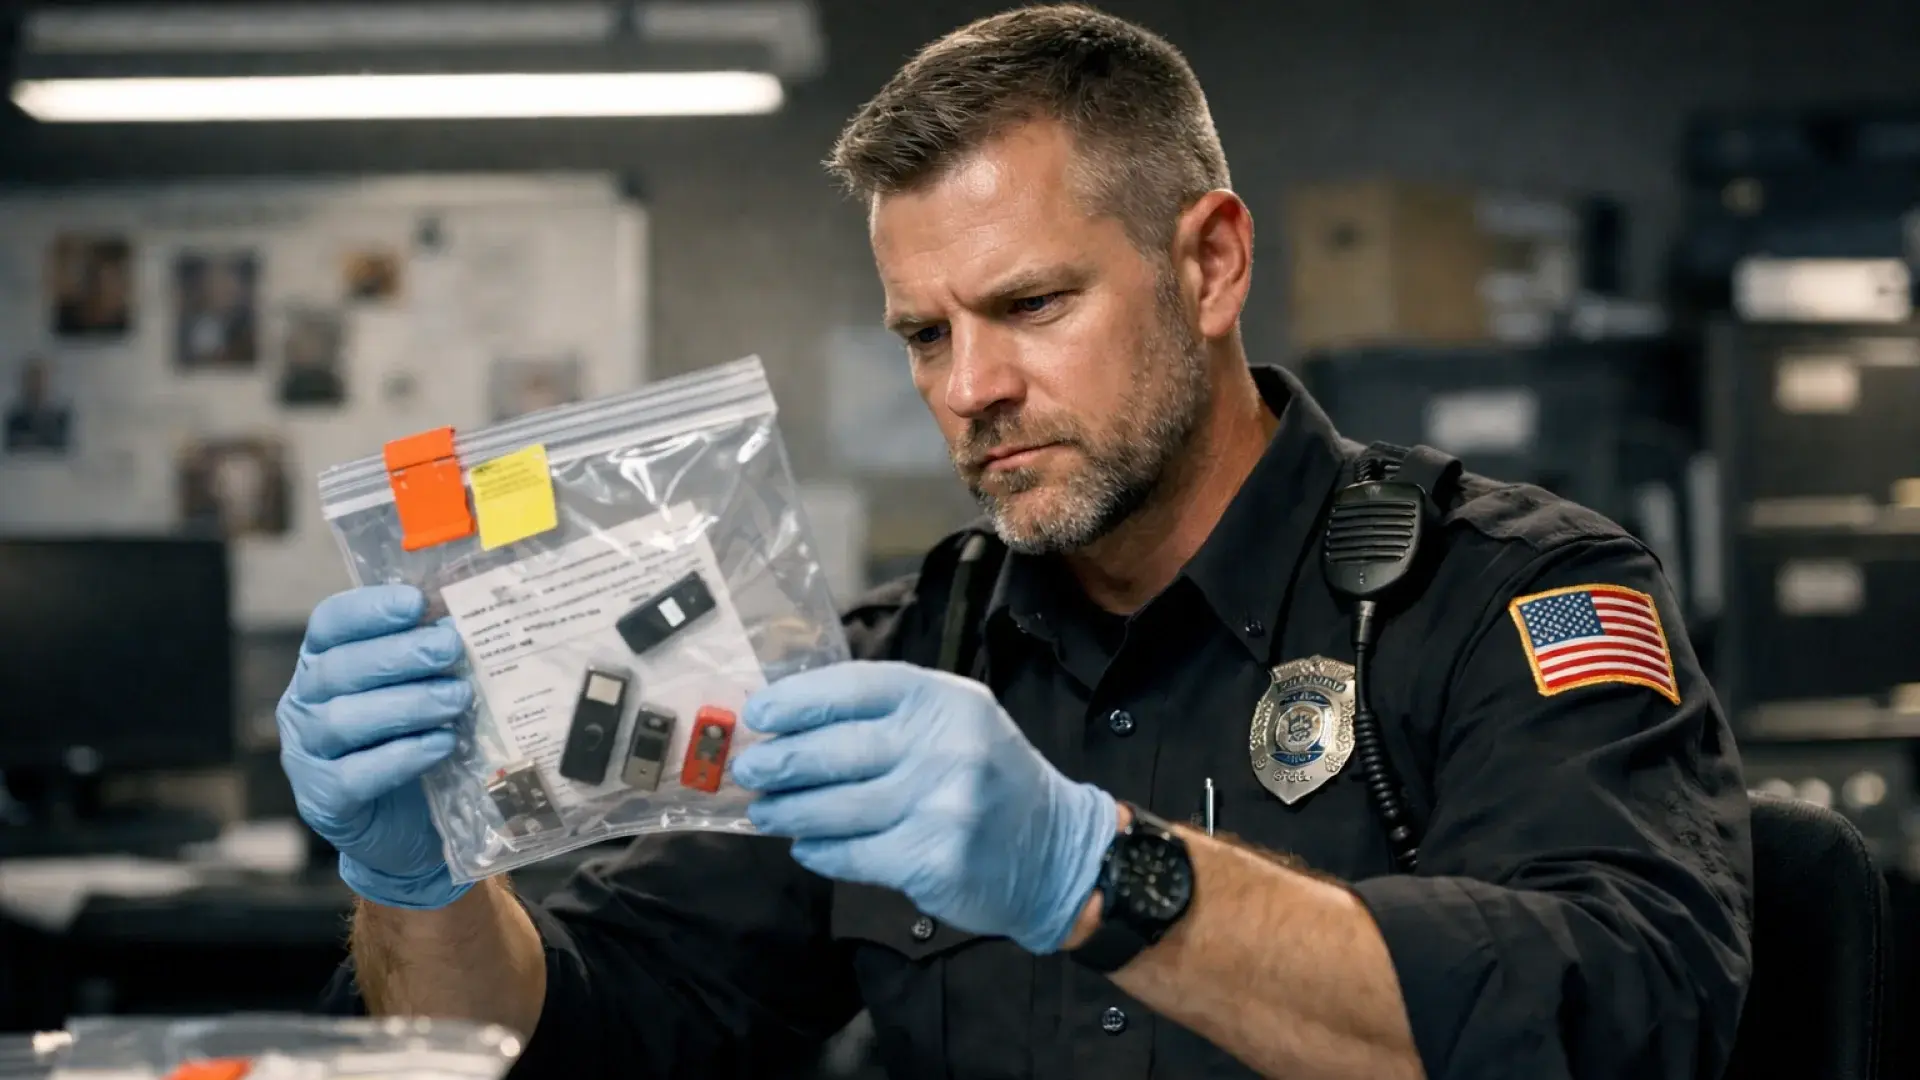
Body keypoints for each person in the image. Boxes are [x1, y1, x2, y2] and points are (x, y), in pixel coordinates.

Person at [279, 7, 1752, 1079]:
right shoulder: (888, 669)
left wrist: (1095, 873)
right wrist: (420, 875)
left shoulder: (1504, 596)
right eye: (924, 332)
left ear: (1211, 263)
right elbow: (570, 1034)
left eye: (1033, 305)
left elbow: (1628, 1014)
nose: (967, 386)